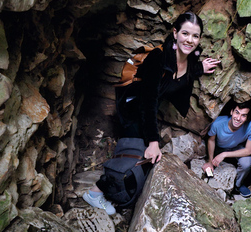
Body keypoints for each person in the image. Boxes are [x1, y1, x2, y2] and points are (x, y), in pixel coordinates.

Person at [83, 11, 221, 214]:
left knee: (145, 151)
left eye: (195, 36)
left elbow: (186, 72)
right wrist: (154, 142)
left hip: (147, 108)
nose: (190, 40)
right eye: (185, 33)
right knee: (136, 152)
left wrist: (201, 68)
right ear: (175, 33)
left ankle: (120, 184)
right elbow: (148, 102)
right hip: (133, 107)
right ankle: (95, 192)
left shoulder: (190, 59)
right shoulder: (158, 58)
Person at [202, 101, 251, 198]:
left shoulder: (250, 127)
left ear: (247, 118)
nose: (238, 118)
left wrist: (224, 154)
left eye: (243, 115)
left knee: (247, 162)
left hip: (235, 147)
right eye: (237, 112)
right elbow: (211, 140)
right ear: (231, 112)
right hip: (219, 147)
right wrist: (210, 161)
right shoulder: (218, 123)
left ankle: (238, 185)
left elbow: (249, 150)